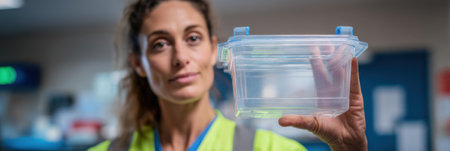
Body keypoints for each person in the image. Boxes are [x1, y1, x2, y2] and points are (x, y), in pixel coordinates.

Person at [89, 0, 367, 150]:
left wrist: (349, 150)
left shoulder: (271, 149)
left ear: (214, 50)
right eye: (160, 44)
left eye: (193, 38)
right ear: (138, 63)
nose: (181, 57)